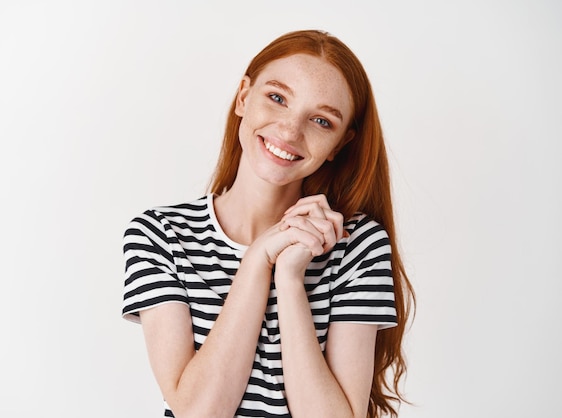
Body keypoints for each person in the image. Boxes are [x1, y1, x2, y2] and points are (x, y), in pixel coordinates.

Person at [122, 29, 415, 418]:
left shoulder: (356, 245)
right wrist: (258, 258)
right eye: (277, 98)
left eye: (322, 121)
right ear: (244, 97)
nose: (290, 131)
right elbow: (200, 412)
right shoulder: (159, 235)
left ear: (341, 144)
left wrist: (290, 280)